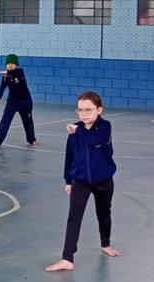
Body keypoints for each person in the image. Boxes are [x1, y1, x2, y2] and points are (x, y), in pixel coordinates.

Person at [46, 92, 119, 271]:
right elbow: (69, 156)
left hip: (103, 180)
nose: (83, 114)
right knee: (74, 218)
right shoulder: (76, 129)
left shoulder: (105, 127)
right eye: (80, 110)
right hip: (80, 181)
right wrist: (68, 180)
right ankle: (67, 258)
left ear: (99, 110)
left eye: (88, 110)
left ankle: (105, 243)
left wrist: (77, 130)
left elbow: (94, 140)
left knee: (104, 213)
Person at [0, 54, 36, 149]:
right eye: (8, 63)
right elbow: (3, 86)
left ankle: (31, 139)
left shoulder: (20, 73)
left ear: (16, 65)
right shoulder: (6, 75)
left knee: (28, 122)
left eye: (12, 63)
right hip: (12, 102)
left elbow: (17, 72)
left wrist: (7, 73)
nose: (10, 65)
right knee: (5, 121)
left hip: (25, 102)